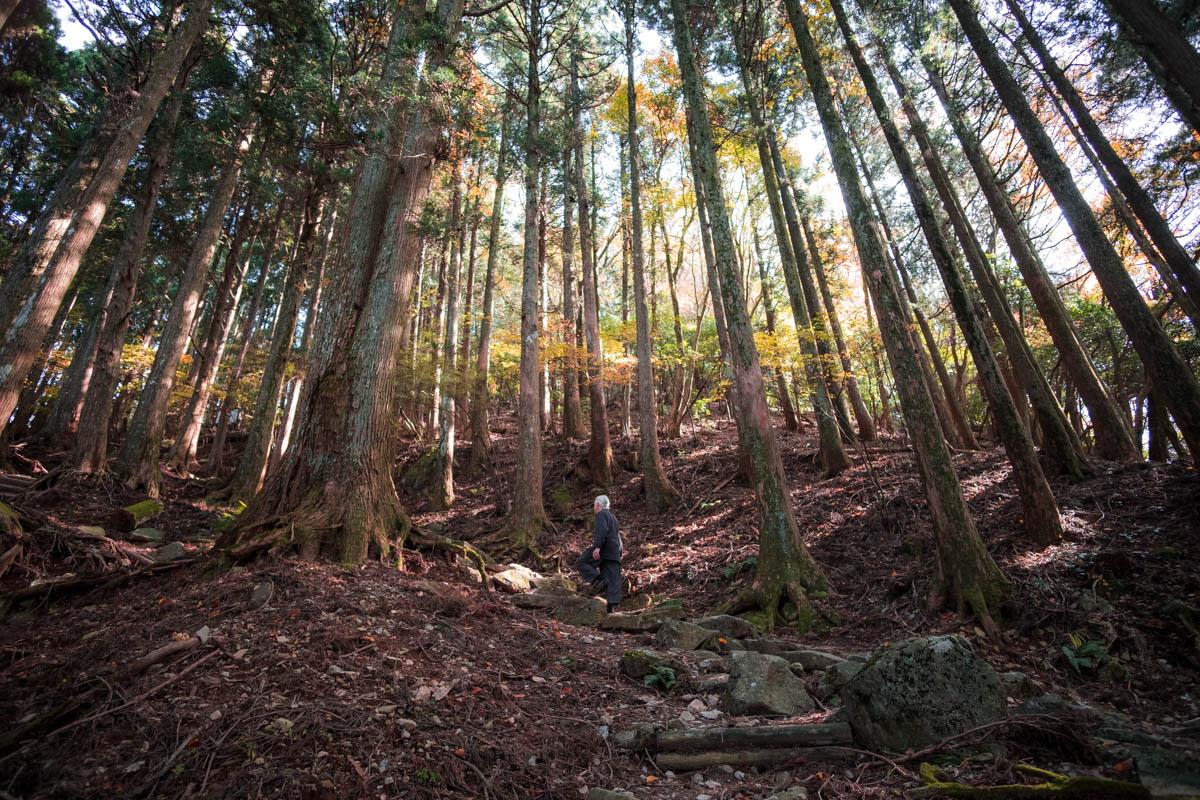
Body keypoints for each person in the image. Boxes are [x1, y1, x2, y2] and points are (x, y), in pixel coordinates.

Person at [575, 494, 622, 613]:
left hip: (604, 548)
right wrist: (620, 551)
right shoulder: (613, 517)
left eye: (594, 505)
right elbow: (617, 536)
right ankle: (611, 610)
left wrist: (597, 547)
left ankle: (598, 580)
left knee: (581, 562)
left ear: (597, 505)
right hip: (614, 551)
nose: (593, 507)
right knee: (612, 577)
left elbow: (601, 531)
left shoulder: (601, 515)